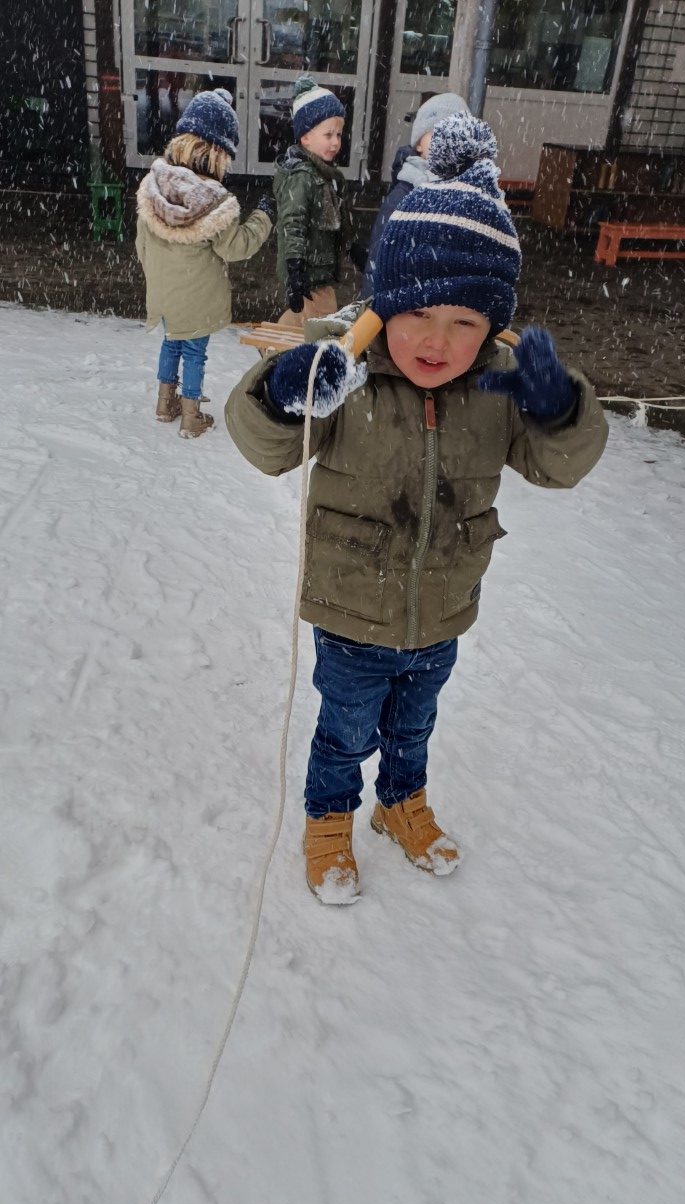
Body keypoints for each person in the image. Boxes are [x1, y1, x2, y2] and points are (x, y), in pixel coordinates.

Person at [225, 113, 608, 905]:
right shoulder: (348, 370)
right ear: (384, 308)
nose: (438, 341)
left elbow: (559, 465)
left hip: (441, 611)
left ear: (493, 326)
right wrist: (285, 391)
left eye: (465, 322)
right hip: (351, 610)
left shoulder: (497, 385)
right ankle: (329, 818)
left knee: (414, 726)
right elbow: (264, 444)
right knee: (346, 730)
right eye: (418, 316)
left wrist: (560, 409)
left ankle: (401, 803)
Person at [136, 87, 273, 438]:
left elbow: (142, 244)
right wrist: (263, 217)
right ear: (217, 153)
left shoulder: (153, 187)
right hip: (198, 300)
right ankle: (191, 415)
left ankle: (164, 403)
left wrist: (158, 276)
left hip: (164, 293)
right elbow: (236, 247)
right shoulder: (215, 202)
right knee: (195, 352)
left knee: (171, 342)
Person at [359, 91, 471, 297]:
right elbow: (379, 259)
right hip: (408, 301)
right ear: (418, 144)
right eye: (437, 134)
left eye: (456, 136)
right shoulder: (404, 195)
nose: (446, 143)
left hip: (452, 303)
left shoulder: (472, 195)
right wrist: (372, 304)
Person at [273, 75, 347, 328]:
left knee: (305, 319)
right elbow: (292, 223)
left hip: (319, 267)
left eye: (339, 134)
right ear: (305, 138)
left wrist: (353, 248)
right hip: (308, 268)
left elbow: (338, 219)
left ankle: (274, 345)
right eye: (328, 135)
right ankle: (281, 346)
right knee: (323, 322)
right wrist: (295, 267)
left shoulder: (325, 174)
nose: (335, 142)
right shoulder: (302, 176)